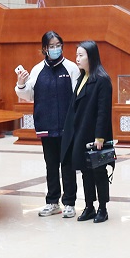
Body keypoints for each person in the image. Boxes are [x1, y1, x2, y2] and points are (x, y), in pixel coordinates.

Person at [16, 31, 81, 218]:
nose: (55, 49)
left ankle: (69, 203)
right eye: (51, 46)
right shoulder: (37, 70)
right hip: (45, 125)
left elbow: (78, 97)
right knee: (51, 165)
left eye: (58, 45)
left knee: (67, 165)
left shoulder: (71, 68)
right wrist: (21, 83)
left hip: (67, 128)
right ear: (44, 49)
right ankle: (52, 202)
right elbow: (28, 94)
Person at [61, 41, 113, 223]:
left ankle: (103, 208)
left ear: (91, 57)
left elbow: (103, 111)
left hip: (94, 135)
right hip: (80, 133)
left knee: (99, 172)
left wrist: (100, 136)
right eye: (77, 55)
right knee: (85, 171)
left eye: (81, 55)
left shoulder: (102, 79)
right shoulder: (82, 77)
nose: (77, 58)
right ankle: (89, 206)